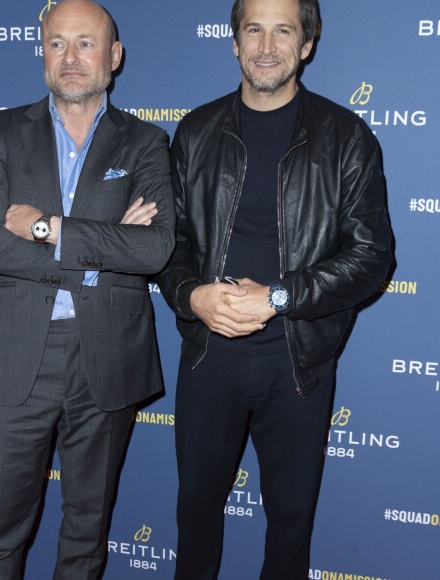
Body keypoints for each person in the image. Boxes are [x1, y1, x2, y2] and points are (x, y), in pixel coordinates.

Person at [155, 0, 392, 578]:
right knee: (196, 517)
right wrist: (191, 295)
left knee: (291, 523)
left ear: (306, 44)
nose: (266, 45)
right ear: (234, 42)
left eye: (283, 30)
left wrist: (280, 296)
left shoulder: (346, 137)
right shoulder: (195, 131)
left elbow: (372, 257)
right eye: (252, 29)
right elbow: (170, 244)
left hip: (300, 364)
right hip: (209, 358)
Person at [0, 1, 174, 578]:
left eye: (85, 42)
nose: (70, 57)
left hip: (109, 357)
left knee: (87, 530)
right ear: (42, 53)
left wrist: (46, 228)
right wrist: (100, 254)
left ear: (115, 55)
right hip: (13, 355)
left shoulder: (147, 142)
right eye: (56, 43)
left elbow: (153, 249)